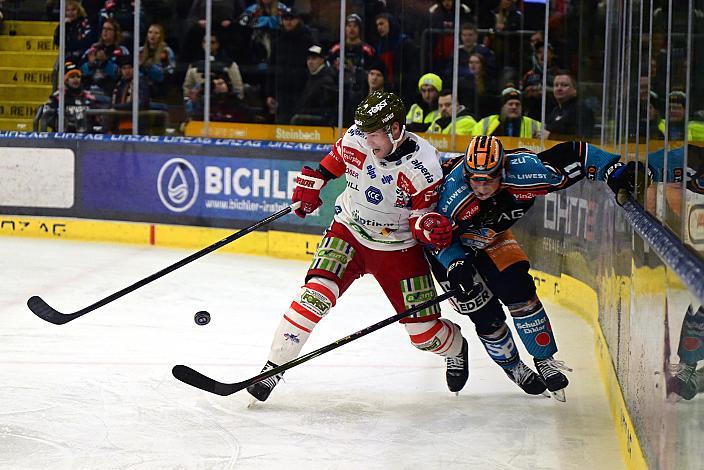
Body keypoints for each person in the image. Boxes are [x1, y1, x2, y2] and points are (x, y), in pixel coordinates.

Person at [247, 91, 469, 402]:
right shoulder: (357, 136)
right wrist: (313, 184)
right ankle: (272, 369)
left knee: (424, 336)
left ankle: (457, 345)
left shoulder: (425, 165)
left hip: (398, 248)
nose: (365, 142)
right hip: (349, 230)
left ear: (394, 129)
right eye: (362, 133)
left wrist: (428, 229)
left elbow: (422, 220)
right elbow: (330, 165)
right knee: (315, 296)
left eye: (373, 135)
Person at [427, 135, 643, 401]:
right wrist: (454, 262)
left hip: (492, 237)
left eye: (489, 179)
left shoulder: (528, 171)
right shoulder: (452, 195)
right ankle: (512, 367)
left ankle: (544, 359)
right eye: (475, 179)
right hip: (451, 245)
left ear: (502, 170)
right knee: (484, 314)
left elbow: (576, 153)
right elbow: (434, 237)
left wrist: (611, 169)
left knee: (518, 289)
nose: (481, 187)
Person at [264, 7, 314, 124]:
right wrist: (270, 93)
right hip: (282, 91)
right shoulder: (278, 41)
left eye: (291, 18)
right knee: (282, 123)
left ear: (298, 20)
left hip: (301, 90)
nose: (288, 22)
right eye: (286, 18)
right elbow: (271, 69)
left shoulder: (307, 39)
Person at [41, 61, 98, 133]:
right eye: (72, 77)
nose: (76, 79)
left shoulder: (88, 96)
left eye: (78, 76)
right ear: (66, 80)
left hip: (86, 136)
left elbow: (97, 117)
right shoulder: (58, 97)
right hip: (63, 136)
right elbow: (46, 115)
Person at [290, 45, 338, 126]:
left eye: (314, 58)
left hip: (317, 126)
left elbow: (327, 109)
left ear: (322, 60)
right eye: (308, 59)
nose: (310, 62)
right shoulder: (310, 78)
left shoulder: (327, 80)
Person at [472, 87, 542, 138]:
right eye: (510, 104)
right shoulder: (486, 123)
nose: (514, 107)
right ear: (502, 107)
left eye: (517, 104)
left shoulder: (533, 124)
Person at [544, 71, 595, 140]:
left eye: (564, 85)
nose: (559, 88)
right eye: (556, 85)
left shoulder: (582, 110)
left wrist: (551, 136)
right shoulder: (555, 110)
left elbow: (583, 139)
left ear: (575, 90)